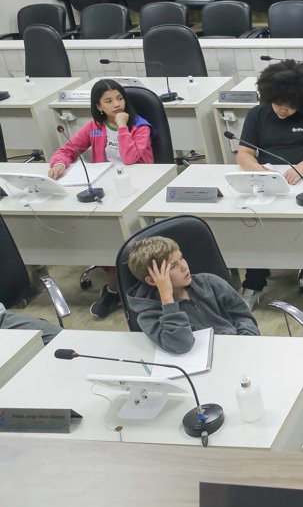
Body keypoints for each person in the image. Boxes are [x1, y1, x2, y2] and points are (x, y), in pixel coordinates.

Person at [48, 79, 153, 319]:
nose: (116, 104)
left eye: (119, 98)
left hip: (138, 186)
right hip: (106, 188)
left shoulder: (140, 127)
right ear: (99, 105)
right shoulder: (96, 128)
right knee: (101, 232)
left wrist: (122, 126)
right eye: (109, 101)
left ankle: (123, 286)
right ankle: (115, 285)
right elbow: (69, 148)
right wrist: (60, 163)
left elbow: (130, 159)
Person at [236, 60, 303, 306]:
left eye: (289, 107)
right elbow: (244, 154)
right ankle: (253, 284)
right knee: (254, 226)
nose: (282, 110)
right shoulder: (257, 115)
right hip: (269, 184)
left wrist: (301, 168)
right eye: (278, 104)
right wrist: (261, 171)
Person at [124, 236, 259, 354]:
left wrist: (245, 342)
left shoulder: (210, 282)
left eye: (182, 258)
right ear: (153, 280)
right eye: (173, 266)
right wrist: (167, 300)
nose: (184, 266)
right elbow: (181, 345)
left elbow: (243, 317)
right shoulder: (148, 314)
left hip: (237, 348)